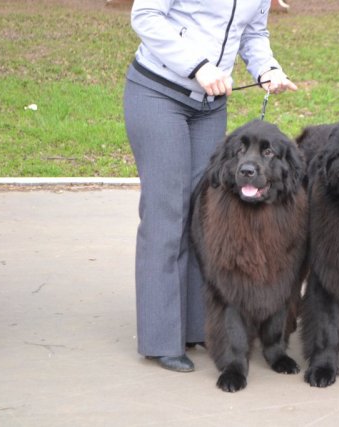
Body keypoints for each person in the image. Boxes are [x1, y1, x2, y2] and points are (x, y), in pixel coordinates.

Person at [123, 0, 297, 373]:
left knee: (203, 215)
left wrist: (266, 67)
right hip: (158, 92)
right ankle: (161, 338)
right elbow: (146, 15)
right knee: (167, 214)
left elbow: (253, 32)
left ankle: (197, 326)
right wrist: (198, 66)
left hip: (210, 105)